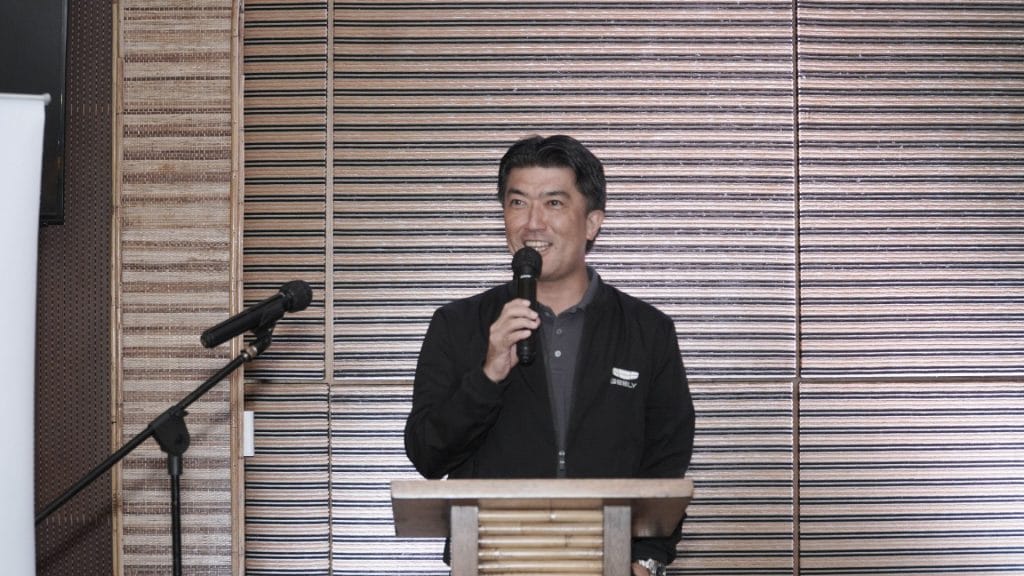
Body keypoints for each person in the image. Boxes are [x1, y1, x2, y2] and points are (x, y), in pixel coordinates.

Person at [404, 134, 696, 575]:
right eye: (517, 203)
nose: (532, 223)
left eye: (553, 203)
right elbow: (427, 453)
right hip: (489, 561)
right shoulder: (458, 325)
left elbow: (667, 457)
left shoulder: (647, 330)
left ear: (592, 222)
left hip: (609, 560)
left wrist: (646, 560)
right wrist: (487, 375)